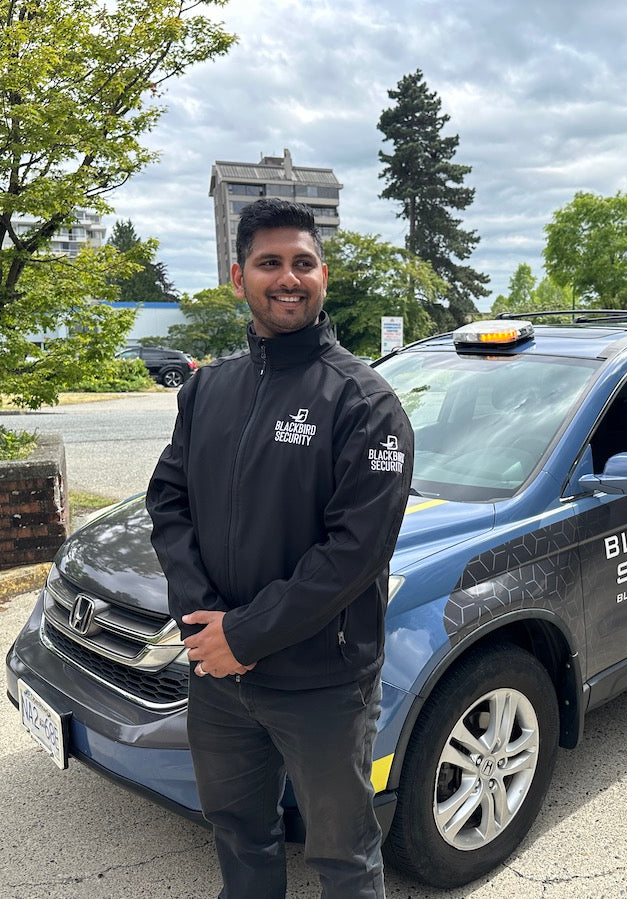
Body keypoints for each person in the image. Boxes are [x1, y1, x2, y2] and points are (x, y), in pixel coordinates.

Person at [146, 198, 413, 898]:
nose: (287, 277)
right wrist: (208, 622)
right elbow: (168, 503)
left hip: (321, 683)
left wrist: (248, 632)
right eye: (269, 263)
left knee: (343, 858)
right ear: (238, 276)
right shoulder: (207, 390)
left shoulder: (364, 403)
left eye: (302, 262)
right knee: (237, 831)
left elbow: (355, 552)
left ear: (323, 274)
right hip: (219, 677)